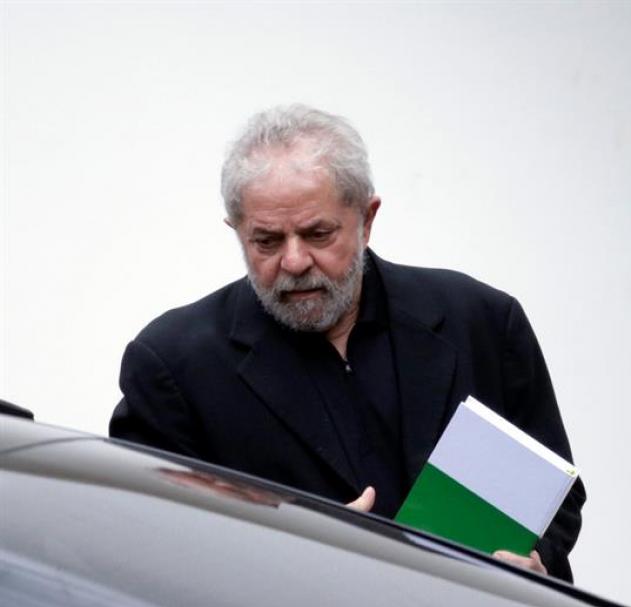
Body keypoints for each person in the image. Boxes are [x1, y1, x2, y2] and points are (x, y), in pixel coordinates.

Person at [110, 104, 585, 581]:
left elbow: (554, 497)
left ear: (367, 218)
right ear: (237, 231)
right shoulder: (173, 365)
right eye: (267, 242)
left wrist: (533, 566)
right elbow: (148, 546)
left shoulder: (481, 321)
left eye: (318, 234)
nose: (294, 261)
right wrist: (304, 557)